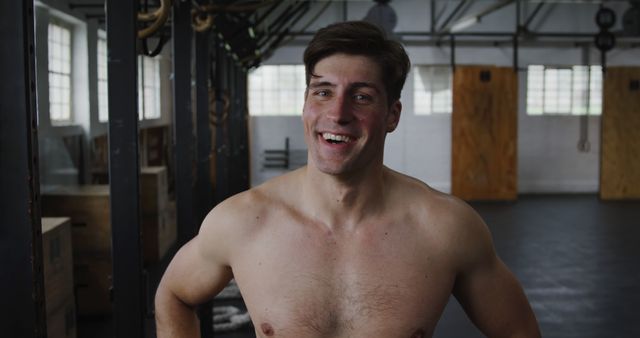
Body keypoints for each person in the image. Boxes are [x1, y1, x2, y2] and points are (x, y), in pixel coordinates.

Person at [155, 21, 541, 338]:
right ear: (305, 105)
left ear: (392, 115)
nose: (337, 113)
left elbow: (519, 330)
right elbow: (173, 295)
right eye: (323, 92)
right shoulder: (241, 221)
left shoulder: (446, 228)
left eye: (361, 96)